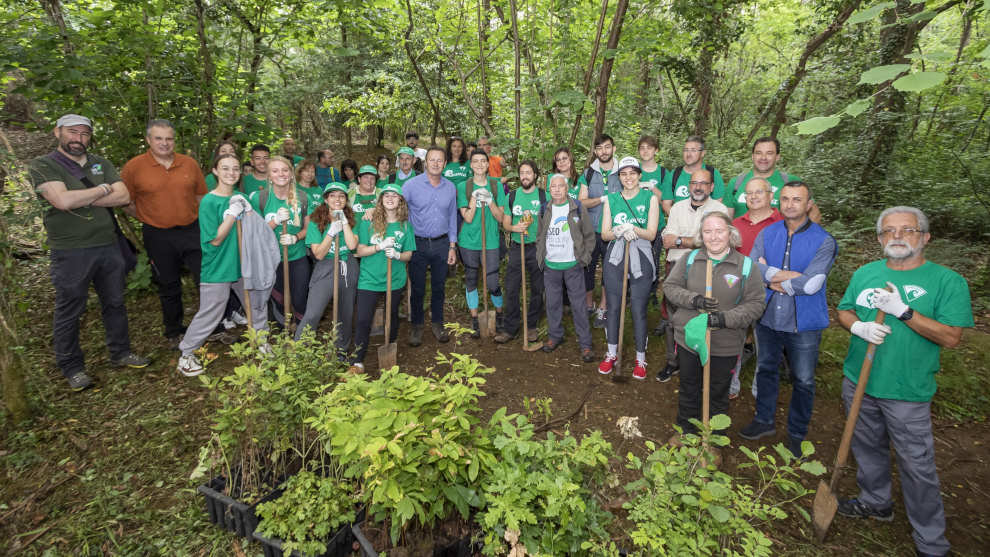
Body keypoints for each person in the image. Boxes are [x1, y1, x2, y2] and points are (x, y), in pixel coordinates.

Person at [835, 207, 972, 557]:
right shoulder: (867, 272)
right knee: (866, 448)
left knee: (916, 464)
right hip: (859, 380)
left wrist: (904, 311)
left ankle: (931, 540)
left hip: (907, 390)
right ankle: (876, 501)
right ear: (880, 239)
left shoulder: (946, 281)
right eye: (888, 231)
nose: (896, 236)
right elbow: (844, 309)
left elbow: (951, 337)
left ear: (924, 237)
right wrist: (857, 326)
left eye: (907, 230)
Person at [28, 114, 149, 390]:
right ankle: (72, 367)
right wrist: (103, 189)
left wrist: (84, 196)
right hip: (71, 252)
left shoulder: (100, 163)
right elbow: (61, 200)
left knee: (115, 302)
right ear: (58, 132)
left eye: (84, 134)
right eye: (72, 132)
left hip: (108, 246)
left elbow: (123, 196)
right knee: (70, 309)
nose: (78, 139)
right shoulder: (44, 165)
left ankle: (120, 352)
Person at [739, 181, 837, 458]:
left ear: (808, 205)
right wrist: (786, 277)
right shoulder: (768, 234)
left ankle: (796, 434)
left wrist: (771, 276)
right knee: (766, 369)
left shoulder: (824, 240)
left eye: (797, 199)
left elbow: (812, 284)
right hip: (768, 316)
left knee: (803, 379)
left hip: (803, 322)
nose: (790, 204)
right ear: (778, 202)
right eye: (785, 199)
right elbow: (752, 270)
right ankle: (764, 420)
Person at [663, 212, 766, 441]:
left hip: (725, 343)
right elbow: (670, 287)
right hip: (690, 338)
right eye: (708, 231)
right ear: (701, 235)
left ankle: (713, 440)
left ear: (730, 233)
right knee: (689, 386)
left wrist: (724, 319)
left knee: (718, 392)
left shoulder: (746, 266)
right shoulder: (691, 259)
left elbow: (756, 304)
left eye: (719, 230)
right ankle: (686, 431)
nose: (714, 236)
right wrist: (694, 300)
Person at [176, 154, 269, 376]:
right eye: (225, 168)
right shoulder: (209, 202)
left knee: (255, 305)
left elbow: (254, 232)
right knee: (211, 312)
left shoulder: (241, 196)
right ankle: (186, 354)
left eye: (235, 168)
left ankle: (261, 341)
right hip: (218, 266)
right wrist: (231, 215)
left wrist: (248, 213)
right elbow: (215, 239)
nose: (231, 173)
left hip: (242, 264)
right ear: (215, 171)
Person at [121, 119, 208, 345]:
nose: (164, 143)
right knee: (168, 283)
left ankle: (213, 325)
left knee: (206, 279)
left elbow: (201, 197)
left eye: (169, 138)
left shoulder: (188, 163)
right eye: (158, 138)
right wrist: (146, 217)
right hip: (158, 234)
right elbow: (125, 201)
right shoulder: (134, 167)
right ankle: (174, 330)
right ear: (148, 140)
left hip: (192, 230)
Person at [656, 168, 728, 382]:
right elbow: (667, 238)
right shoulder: (677, 208)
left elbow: (711, 242)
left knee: (703, 316)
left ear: (711, 187)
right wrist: (691, 240)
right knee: (673, 317)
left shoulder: (719, 209)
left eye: (704, 183)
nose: (698, 187)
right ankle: (673, 361)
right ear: (689, 186)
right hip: (676, 267)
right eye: (695, 183)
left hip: (706, 270)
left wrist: (682, 240)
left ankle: (702, 362)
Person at [597, 157, 661, 379]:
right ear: (619, 177)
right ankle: (612, 352)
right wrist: (618, 231)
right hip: (616, 254)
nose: (628, 178)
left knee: (637, 308)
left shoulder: (650, 198)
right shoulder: (612, 199)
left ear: (639, 175)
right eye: (624, 174)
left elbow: (652, 233)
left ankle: (640, 357)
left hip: (641, 253)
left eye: (633, 173)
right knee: (613, 307)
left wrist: (634, 228)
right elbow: (605, 233)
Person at [350, 184, 416, 373]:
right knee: (363, 319)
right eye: (386, 195)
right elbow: (360, 251)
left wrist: (397, 255)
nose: (389, 198)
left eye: (394, 196)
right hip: (369, 280)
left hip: (394, 280)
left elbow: (409, 254)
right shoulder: (368, 223)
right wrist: (378, 247)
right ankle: (357, 361)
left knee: (391, 316)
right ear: (380, 201)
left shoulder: (405, 226)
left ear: (400, 201)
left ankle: (390, 347)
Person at [728, 177, 784, 399]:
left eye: (759, 192)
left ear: (771, 196)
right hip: (738, 292)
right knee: (733, 341)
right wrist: (730, 285)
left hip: (769, 292)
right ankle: (731, 384)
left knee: (766, 345)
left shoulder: (782, 224)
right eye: (749, 193)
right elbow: (729, 258)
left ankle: (761, 390)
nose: (753, 197)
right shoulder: (737, 224)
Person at [402, 147, 458, 345]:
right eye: (432, 160)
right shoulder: (411, 186)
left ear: (444, 164)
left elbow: (453, 217)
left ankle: (437, 323)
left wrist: (452, 246)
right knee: (417, 288)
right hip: (417, 243)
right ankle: (417, 326)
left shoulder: (451, 188)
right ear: (425, 162)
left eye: (439, 160)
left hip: (442, 243)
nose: (435, 163)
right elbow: (397, 207)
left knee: (439, 287)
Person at [536, 174, 595, 361]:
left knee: (579, 305)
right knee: (552, 303)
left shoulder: (577, 207)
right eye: (553, 187)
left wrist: (584, 257)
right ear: (549, 189)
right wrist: (541, 257)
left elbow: (589, 235)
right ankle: (555, 336)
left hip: (572, 265)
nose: (557, 190)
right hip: (551, 265)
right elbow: (540, 235)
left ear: (567, 188)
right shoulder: (544, 209)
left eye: (560, 186)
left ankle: (585, 344)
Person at [296, 182, 359, 354]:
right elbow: (319, 254)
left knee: (345, 314)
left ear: (346, 199)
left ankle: (341, 351)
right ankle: (300, 351)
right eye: (332, 195)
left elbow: (352, 245)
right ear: (325, 198)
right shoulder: (316, 221)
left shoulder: (353, 219)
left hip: (348, 266)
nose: (337, 199)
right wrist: (331, 232)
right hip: (326, 267)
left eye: (341, 196)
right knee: (313, 313)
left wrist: (344, 223)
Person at [249, 156, 312, 326]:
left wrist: (295, 237)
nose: (281, 174)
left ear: (291, 174)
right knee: (278, 299)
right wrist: (274, 221)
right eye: (275, 171)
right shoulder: (259, 198)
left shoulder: (303, 198)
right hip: (270, 259)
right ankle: (282, 333)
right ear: (269, 176)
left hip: (297, 257)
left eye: (285, 170)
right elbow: (255, 233)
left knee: (300, 298)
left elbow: (308, 229)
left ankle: (301, 336)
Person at [458, 149, 507, 337]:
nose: (479, 164)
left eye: (483, 161)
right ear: (470, 165)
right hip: (469, 241)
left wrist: (490, 200)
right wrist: (474, 196)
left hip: (491, 241)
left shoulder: (496, 186)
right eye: (475, 161)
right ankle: (474, 320)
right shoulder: (463, 186)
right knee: (471, 279)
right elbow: (468, 218)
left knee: (493, 281)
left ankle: (500, 314)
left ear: (488, 164)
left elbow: (501, 217)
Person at [496, 160, 546, 344]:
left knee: (537, 289)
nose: (525, 176)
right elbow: (506, 224)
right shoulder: (513, 196)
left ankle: (531, 326)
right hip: (518, 247)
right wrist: (515, 227)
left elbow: (549, 221)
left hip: (537, 247)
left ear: (535, 175)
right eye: (522, 172)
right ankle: (510, 328)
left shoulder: (543, 196)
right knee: (511, 288)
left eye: (529, 172)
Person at [577, 134, 622, 327]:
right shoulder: (588, 173)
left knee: (609, 271)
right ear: (595, 151)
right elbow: (581, 202)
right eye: (599, 148)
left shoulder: (623, 172)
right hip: (592, 230)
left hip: (614, 231)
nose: (604, 151)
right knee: (587, 268)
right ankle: (589, 304)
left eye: (607, 147)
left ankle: (603, 308)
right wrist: (602, 199)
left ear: (613, 148)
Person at [726, 137, 818, 222]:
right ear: (752, 156)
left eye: (769, 153)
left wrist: (800, 237)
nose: (763, 158)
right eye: (759, 153)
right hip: (743, 238)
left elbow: (814, 214)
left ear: (777, 157)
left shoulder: (790, 182)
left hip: (779, 238)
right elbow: (727, 218)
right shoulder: (736, 183)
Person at [637, 135, 668, 310]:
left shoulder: (663, 173)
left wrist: (651, 187)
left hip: (656, 225)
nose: (645, 151)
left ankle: (652, 292)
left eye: (649, 147)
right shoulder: (633, 169)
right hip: (636, 223)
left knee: (653, 259)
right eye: (642, 147)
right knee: (635, 258)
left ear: (656, 150)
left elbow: (667, 199)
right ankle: (634, 291)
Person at [660, 136, 725, 214]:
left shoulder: (712, 173)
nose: (688, 154)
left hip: (705, 222)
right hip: (680, 223)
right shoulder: (674, 174)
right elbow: (666, 204)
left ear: (703, 153)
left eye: (693, 150)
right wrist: (679, 220)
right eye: (686, 150)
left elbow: (718, 203)